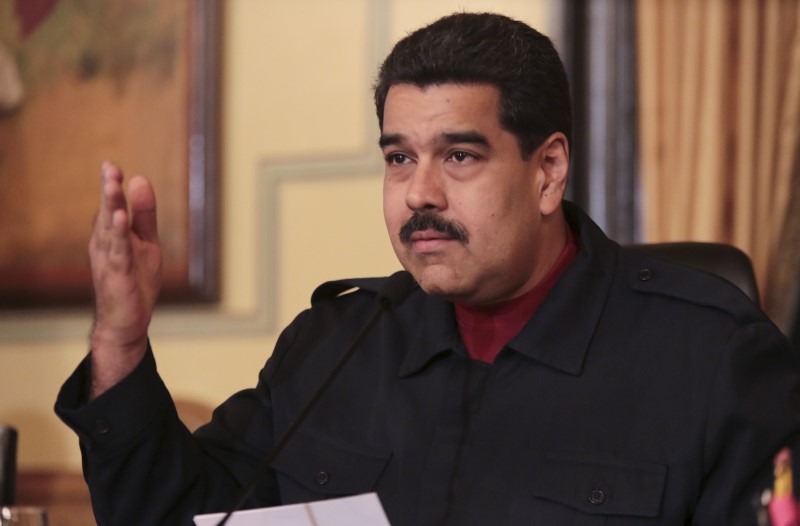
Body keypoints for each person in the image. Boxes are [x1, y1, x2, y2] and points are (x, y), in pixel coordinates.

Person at [56, 12, 800, 526]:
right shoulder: (333, 345)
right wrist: (120, 342)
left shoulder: (711, 357)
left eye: (460, 156)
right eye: (399, 157)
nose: (419, 193)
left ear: (547, 171)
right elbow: (183, 515)